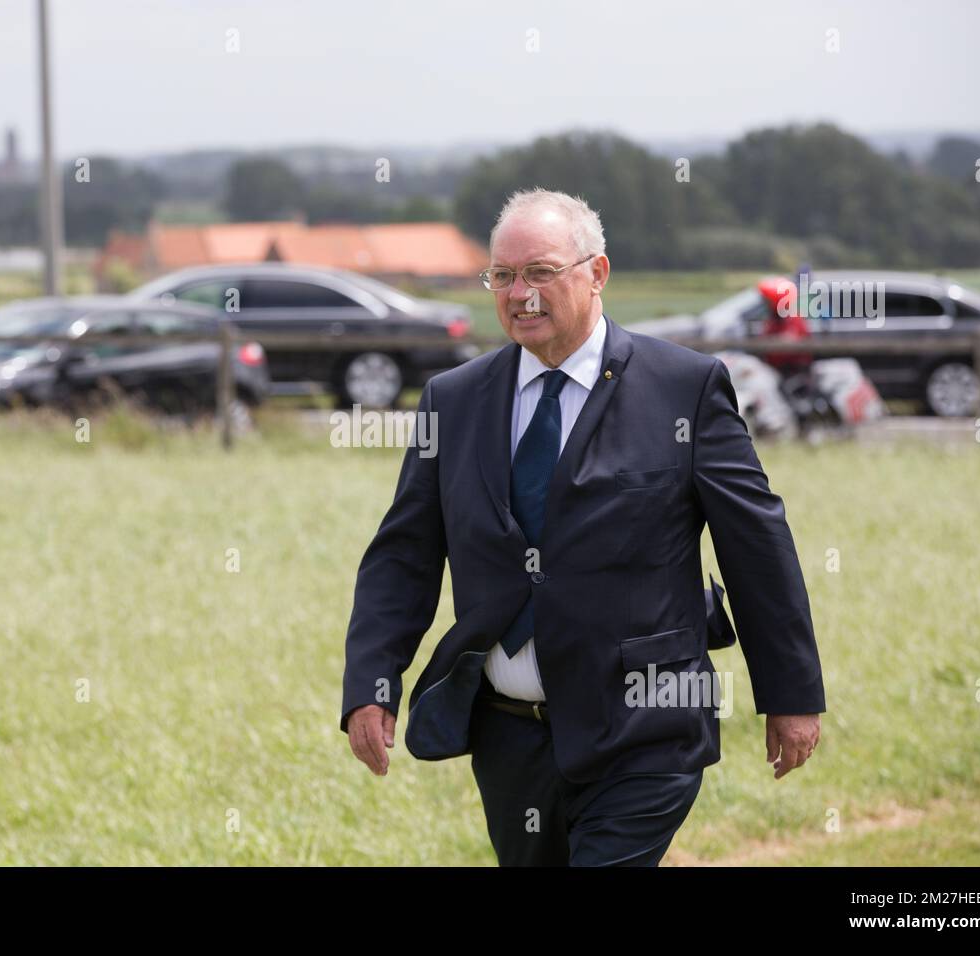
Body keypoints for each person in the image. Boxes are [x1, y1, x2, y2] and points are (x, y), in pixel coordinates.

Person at [339, 188, 825, 866]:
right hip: (511, 741)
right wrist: (372, 682)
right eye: (502, 277)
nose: (519, 294)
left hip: (643, 729)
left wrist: (791, 692)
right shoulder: (452, 401)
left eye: (540, 272)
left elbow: (756, 544)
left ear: (596, 273)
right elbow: (405, 555)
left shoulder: (682, 387)